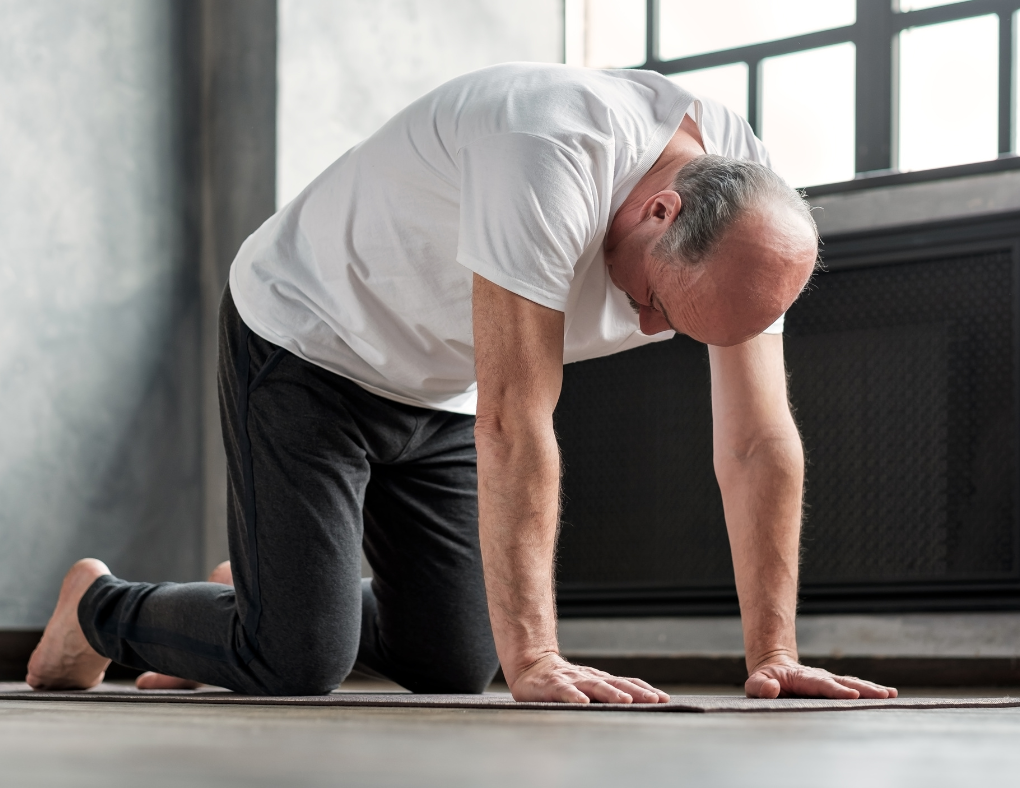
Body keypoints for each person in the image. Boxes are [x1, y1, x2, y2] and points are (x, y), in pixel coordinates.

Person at [27, 63, 896, 703]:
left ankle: (259, 598)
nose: (647, 329)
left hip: (439, 387)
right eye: (660, 306)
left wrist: (774, 653)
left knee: (448, 661)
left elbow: (755, 437)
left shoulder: (751, 218)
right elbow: (518, 420)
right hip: (310, 343)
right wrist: (540, 660)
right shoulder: (550, 151)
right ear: (657, 209)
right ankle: (101, 606)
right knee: (296, 666)